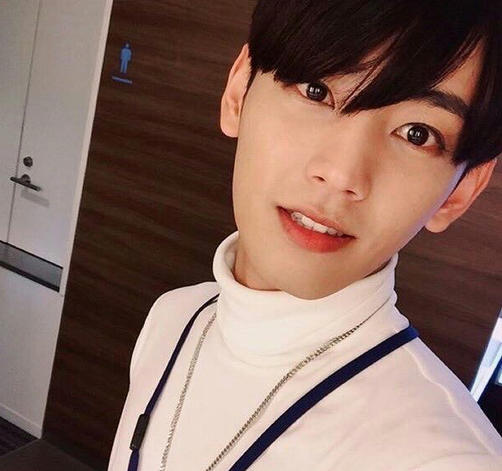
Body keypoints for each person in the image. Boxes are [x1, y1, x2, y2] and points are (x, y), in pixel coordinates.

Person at [108, 1, 502, 470]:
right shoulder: (175, 317)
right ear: (238, 91)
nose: (341, 174)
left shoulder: (447, 459)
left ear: (462, 190)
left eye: (418, 134)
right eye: (317, 91)